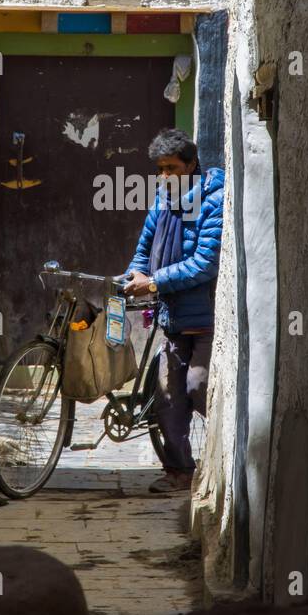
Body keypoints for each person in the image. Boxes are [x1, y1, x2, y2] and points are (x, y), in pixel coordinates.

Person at [121, 128, 224, 494]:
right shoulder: (163, 201)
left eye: (172, 169)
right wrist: (135, 274)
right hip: (172, 318)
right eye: (160, 169)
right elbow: (144, 248)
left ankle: (221, 460)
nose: (164, 177)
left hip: (207, 321)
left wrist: (154, 282)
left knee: (199, 388)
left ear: (192, 164)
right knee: (166, 398)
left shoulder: (213, 200)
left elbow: (203, 264)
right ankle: (179, 471)